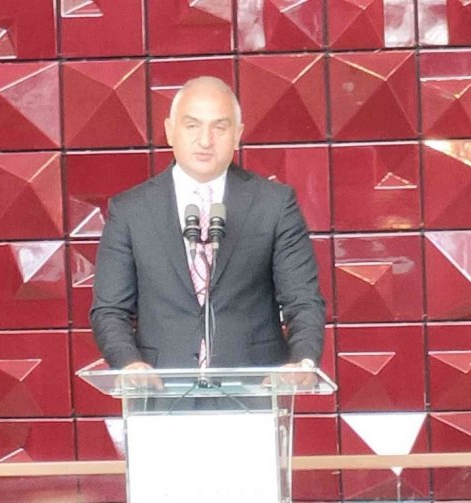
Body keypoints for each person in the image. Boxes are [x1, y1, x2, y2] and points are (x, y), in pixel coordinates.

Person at [89, 76, 325, 379]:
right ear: (170, 131)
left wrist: (303, 361)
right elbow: (109, 310)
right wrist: (129, 363)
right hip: (160, 390)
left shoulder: (274, 205)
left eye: (219, 127)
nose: (205, 140)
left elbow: (303, 300)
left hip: (255, 388)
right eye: (192, 126)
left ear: (237, 135)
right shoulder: (130, 210)